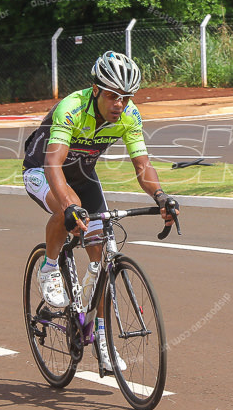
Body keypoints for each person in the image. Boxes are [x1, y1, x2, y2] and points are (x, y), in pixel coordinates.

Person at [22, 51, 179, 372]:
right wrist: (69, 207)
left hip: (83, 177)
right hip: (43, 170)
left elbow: (143, 165)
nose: (119, 104)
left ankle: (103, 342)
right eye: (112, 96)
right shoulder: (72, 108)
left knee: (103, 261)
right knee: (62, 211)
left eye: (126, 97)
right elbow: (53, 165)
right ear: (96, 90)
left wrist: (161, 196)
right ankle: (50, 268)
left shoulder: (129, 116)